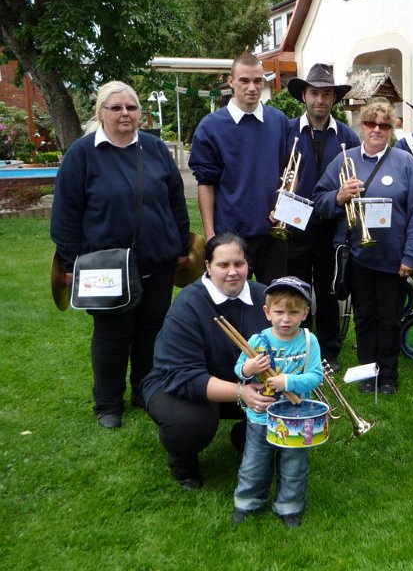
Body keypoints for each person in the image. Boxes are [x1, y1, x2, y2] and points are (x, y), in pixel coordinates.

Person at [51, 80, 190, 429]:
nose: (125, 113)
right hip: (106, 266)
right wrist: (70, 264)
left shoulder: (156, 149)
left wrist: (182, 246)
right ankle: (108, 404)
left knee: (151, 331)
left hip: (157, 261)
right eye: (116, 108)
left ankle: (144, 391)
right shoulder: (82, 155)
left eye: (131, 107)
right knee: (112, 335)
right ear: (101, 113)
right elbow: (66, 214)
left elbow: (175, 200)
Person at [141, 234, 274, 490]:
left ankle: (244, 437)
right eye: (223, 265)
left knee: (289, 408)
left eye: (239, 263)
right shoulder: (189, 304)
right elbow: (184, 375)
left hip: (246, 382)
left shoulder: (265, 297)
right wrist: (241, 392)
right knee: (192, 422)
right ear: (207, 266)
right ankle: (183, 464)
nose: (233, 272)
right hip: (180, 385)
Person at [313, 98, 413, 395]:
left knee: (389, 319)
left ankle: (388, 374)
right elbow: (319, 201)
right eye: (370, 123)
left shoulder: (405, 164)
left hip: (392, 258)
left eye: (384, 124)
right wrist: (339, 196)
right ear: (361, 126)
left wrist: (412, 255)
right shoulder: (344, 159)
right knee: (363, 318)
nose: (376, 129)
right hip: (359, 256)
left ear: (391, 129)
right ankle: (367, 373)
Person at [231, 276, 324, 528]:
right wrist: (249, 367)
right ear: (267, 312)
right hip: (261, 416)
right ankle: (247, 502)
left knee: (294, 464)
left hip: (297, 415)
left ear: (305, 313)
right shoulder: (258, 341)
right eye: (280, 311)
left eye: (294, 312)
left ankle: (289, 507)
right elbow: (240, 370)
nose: (286, 319)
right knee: (254, 462)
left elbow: (316, 376)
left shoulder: (308, 341)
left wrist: (288, 383)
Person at [190, 52, 289, 285]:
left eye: (257, 80)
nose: (252, 87)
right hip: (229, 236)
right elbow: (206, 184)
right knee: (232, 307)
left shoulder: (279, 121)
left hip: (272, 236)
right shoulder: (211, 127)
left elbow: (288, 175)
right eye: (244, 80)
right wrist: (211, 236)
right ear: (231, 82)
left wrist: (283, 210)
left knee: (273, 307)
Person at [285, 64, 360, 371]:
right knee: (297, 288)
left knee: (328, 291)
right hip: (294, 226)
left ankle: (329, 350)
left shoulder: (348, 135)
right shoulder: (288, 131)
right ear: (304, 95)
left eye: (326, 94)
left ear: (333, 98)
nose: (320, 100)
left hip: (332, 226)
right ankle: (298, 347)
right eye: (314, 93)